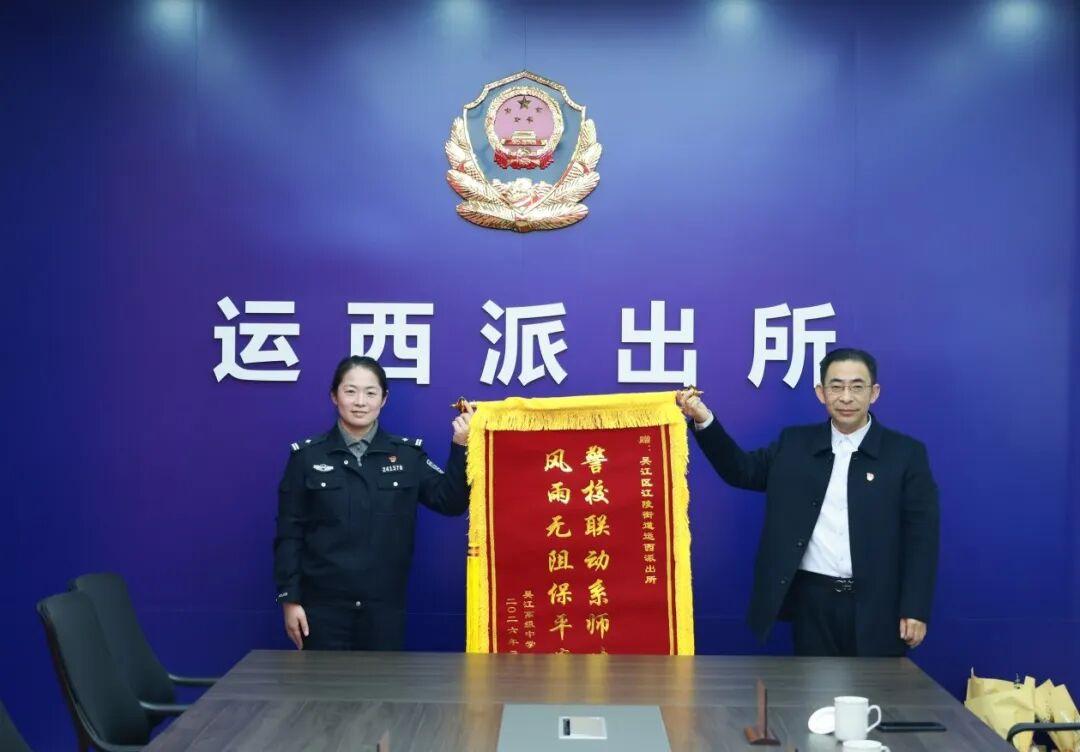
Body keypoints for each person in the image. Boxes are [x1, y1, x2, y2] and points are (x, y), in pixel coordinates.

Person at [677, 348, 939, 657]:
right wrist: (704, 419)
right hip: (813, 603)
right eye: (836, 387)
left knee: (876, 687)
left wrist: (915, 607)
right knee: (815, 687)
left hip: (879, 604)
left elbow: (922, 537)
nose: (846, 397)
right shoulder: (794, 444)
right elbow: (741, 470)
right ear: (821, 393)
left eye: (857, 387)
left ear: (874, 393)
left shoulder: (905, 454)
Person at [273, 355, 472, 650]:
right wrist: (290, 600)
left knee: (382, 682)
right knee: (320, 683)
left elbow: (450, 501)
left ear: (384, 399)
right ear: (334, 396)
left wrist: (461, 445)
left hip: (383, 610)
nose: (360, 402)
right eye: (350, 391)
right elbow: (289, 533)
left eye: (370, 393)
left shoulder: (407, 456)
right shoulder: (307, 457)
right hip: (322, 610)